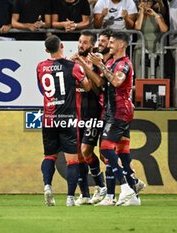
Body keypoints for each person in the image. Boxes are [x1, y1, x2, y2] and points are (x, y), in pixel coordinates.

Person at [37, 35, 92, 206]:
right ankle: (69, 198)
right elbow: (88, 86)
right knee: (73, 160)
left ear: (46, 50)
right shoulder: (73, 66)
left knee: (49, 156)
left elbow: (43, 88)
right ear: (62, 45)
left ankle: (47, 186)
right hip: (67, 117)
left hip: (48, 118)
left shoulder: (40, 66)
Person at [87, 31, 140, 206]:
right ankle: (133, 197)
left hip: (119, 111)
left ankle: (125, 188)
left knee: (106, 148)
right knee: (123, 154)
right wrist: (89, 65)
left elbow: (117, 82)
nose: (109, 44)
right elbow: (102, 83)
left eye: (111, 42)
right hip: (111, 111)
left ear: (121, 45)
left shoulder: (124, 64)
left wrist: (101, 66)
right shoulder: (111, 62)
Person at [70, 30, 107, 206]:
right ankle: (84, 194)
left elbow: (97, 87)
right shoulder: (75, 62)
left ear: (92, 45)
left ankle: (101, 186)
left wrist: (81, 65)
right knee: (78, 155)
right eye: (80, 41)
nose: (81, 45)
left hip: (94, 112)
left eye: (85, 43)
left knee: (86, 151)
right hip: (78, 113)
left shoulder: (96, 60)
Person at [133, 0, 168, 78]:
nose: (147, 3)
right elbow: (137, 27)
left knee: (157, 76)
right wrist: (141, 12)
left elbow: (164, 29)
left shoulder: (158, 15)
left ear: (152, 3)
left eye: (149, 1)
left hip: (156, 48)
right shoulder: (137, 15)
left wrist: (155, 14)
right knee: (141, 75)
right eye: (144, 1)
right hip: (141, 48)